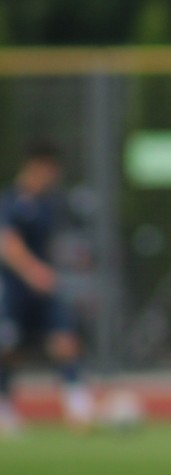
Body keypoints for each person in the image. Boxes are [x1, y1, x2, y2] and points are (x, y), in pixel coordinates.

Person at [0, 141, 94, 435]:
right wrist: (33, 271)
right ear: (34, 168)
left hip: (46, 287)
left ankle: (78, 407)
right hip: (15, 289)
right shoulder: (11, 202)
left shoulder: (52, 204)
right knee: (9, 348)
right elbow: (8, 243)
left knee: (64, 341)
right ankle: (4, 407)